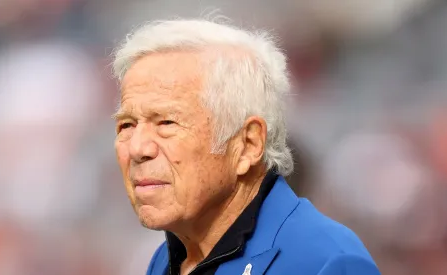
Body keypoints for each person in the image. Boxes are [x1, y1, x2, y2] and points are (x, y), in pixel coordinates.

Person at [111, 18, 380, 275]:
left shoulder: (325, 263)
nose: (137, 148)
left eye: (167, 123)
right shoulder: (167, 259)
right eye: (126, 125)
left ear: (248, 144)